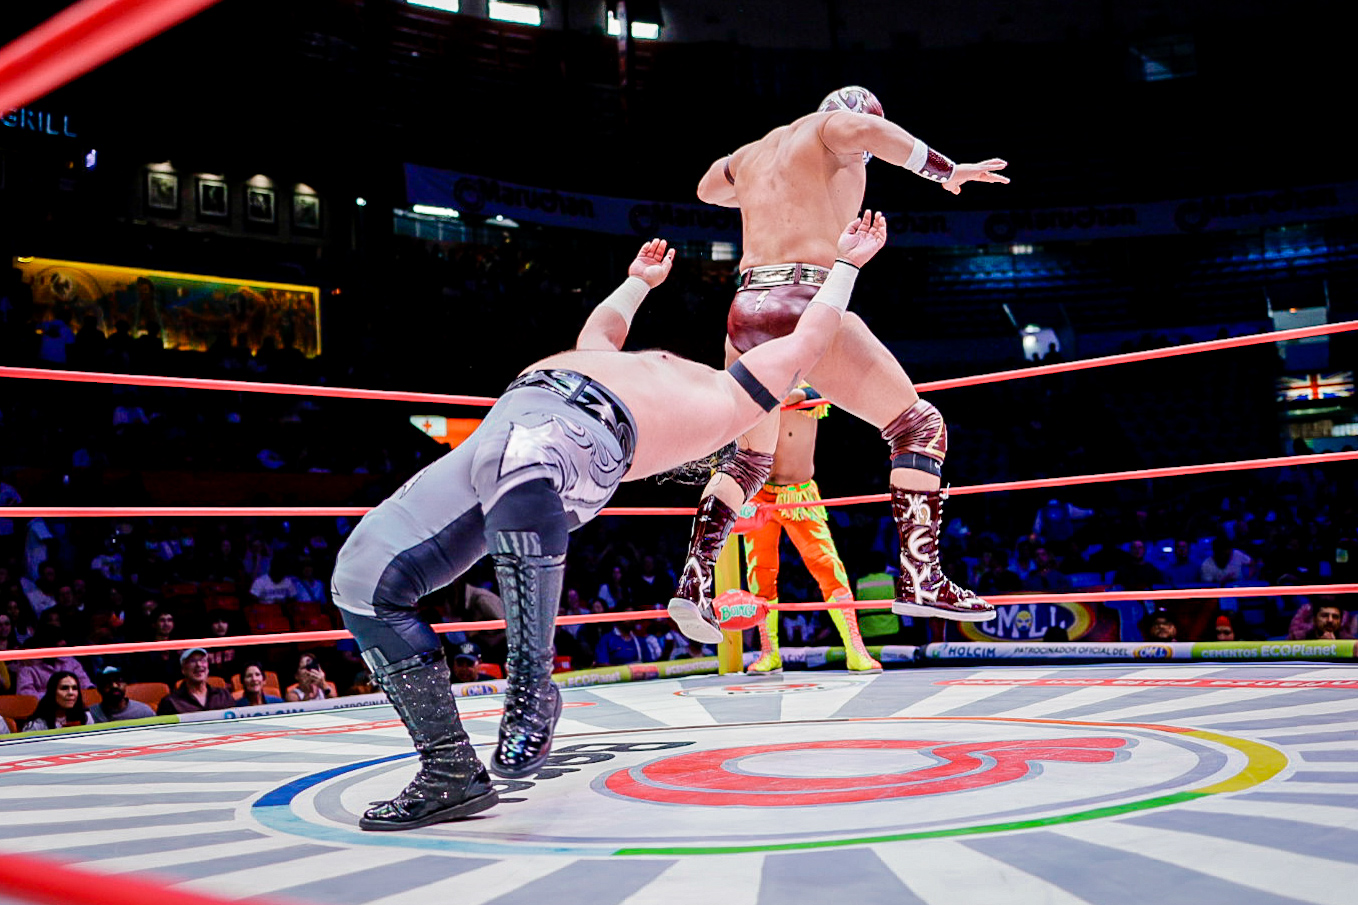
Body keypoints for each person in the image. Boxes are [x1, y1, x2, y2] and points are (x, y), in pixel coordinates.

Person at [329, 219, 887, 831]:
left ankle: (532, 686)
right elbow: (599, 333)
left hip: (572, 442)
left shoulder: (734, 400)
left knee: (521, 460)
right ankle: (449, 771)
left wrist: (847, 266)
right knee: (360, 575)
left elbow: (808, 340)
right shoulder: (647, 367)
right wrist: (637, 282)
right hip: (509, 420)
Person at [670, 85, 1006, 639]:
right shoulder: (830, 127)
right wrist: (948, 171)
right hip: (806, 297)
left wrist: (760, 184)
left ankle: (694, 582)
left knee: (750, 460)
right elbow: (870, 131)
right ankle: (922, 578)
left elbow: (708, 188)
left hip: (747, 305)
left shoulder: (757, 151)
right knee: (918, 426)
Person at [738, 385, 880, 673]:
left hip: (797, 494)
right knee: (759, 572)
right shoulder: (756, 376)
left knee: (827, 565)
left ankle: (856, 649)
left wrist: (776, 395)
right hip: (759, 493)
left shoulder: (805, 377)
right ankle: (769, 652)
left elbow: (817, 393)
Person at [156, 648, 235, 715]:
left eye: (203, 660)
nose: (199, 664)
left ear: (208, 668)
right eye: (192, 661)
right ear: (183, 669)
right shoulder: (170, 702)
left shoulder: (224, 695)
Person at [21, 669, 95, 732]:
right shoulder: (37, 725)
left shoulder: (85, 717)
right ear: (52, 692)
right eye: (64, 688)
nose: (71, 693)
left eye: (74, 688)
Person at [88, 665, 155, 723]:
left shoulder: (143, 712)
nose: (114, 686)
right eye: (107, 682)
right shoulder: (91, 715)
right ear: (99, 688)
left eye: (119, 680)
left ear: (125, 684)